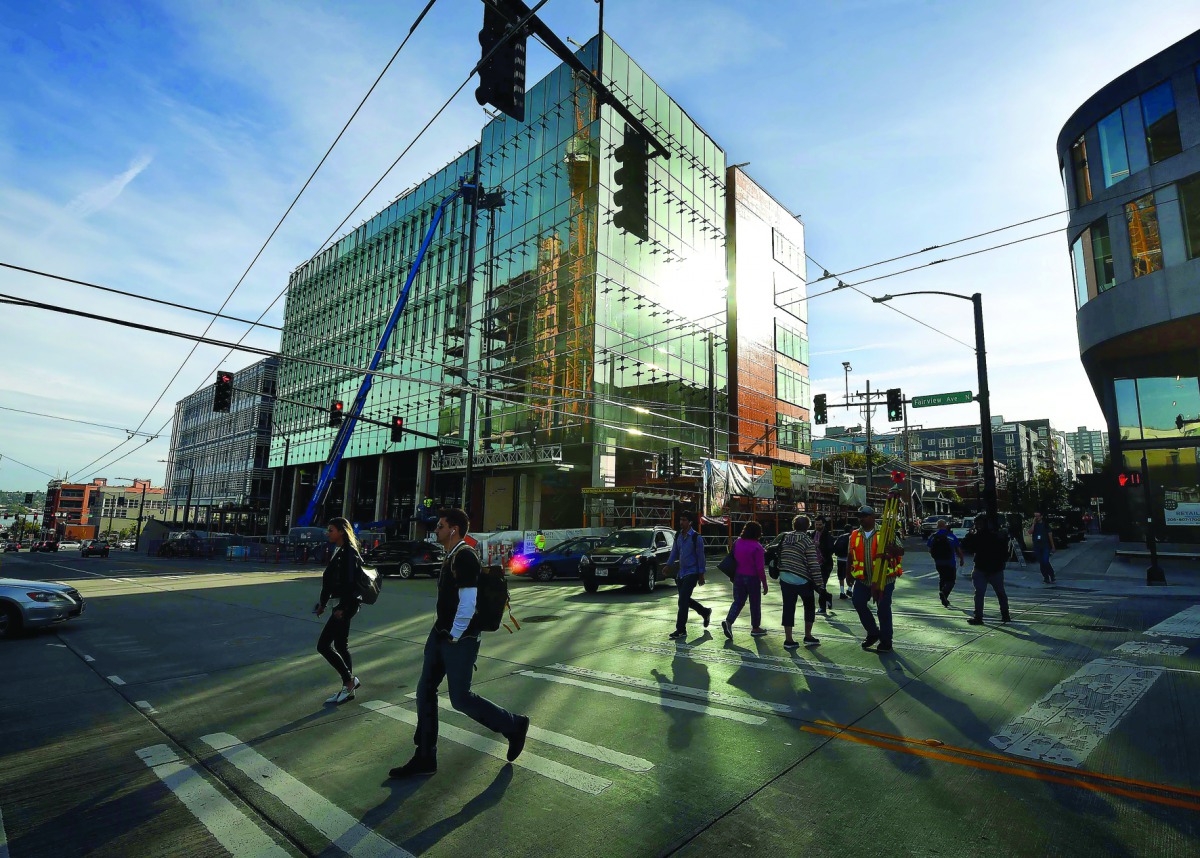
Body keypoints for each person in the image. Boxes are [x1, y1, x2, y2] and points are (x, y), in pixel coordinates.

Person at [389, 508, 529, 779]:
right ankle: (425, 756)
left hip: (458, 638)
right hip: (441, 635)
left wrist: (453, 635)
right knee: (425, 691)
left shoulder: (465, 557)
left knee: (461, 699)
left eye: (440, 526)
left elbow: (468, 604)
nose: (436, 530)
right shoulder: (451, 555)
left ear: (453, 529)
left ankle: (514, 725)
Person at [314, 517, 362, 705]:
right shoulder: (339, 550)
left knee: (323, 645)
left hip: (345, 606)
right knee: (341, 646)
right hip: (338, 604)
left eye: (331, 530)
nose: (328, 533)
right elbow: (329, 581)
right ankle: (348, 687)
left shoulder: (349, 553)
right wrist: (322, 604)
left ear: (342, 531)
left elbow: (351, 583)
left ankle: (349, 682)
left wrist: (342, 608)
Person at [847, 505, 905, 652]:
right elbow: (850, 555)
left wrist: (892, 550)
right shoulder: (854, 534)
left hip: (884, 579)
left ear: (873, 517)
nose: (861, 519)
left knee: (883, 609)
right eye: (859, 516)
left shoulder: (886, 532)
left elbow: (901, 550)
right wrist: (848, 574)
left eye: (864, 516)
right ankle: (873, 632)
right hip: (863, 579)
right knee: (858, 602)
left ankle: (886, 641)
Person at [778, 515, 823, 649]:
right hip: (802, 578)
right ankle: (808, 636)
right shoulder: (807, 541)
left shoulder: (785, 538)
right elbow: (813, 564)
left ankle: (789, 639)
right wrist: (819, 584)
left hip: (785, 577)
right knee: (809, 605)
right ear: (808, 527)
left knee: (788, 607)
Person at [667, 511, 711, 639]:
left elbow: (701, 557)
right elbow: (674, 552)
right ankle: (704, 611)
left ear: (690, 522)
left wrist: (701, 574)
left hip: (692, 573)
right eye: (680, 519)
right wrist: (668, 565)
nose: (681, 522)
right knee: (685, 600)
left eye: (684, 520)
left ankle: (681, 630)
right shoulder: (678, 536)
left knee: (682, 601)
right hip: (681, 574)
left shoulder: (696, 537)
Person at [721, 520, 767, 640]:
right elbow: (760, 568)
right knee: (755, 603)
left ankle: (729, 622)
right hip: (752, 578)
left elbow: (733, 557)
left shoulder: (738, 542)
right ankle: (755, 628)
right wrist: (765, 583)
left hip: (738, 576)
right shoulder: (758, 547)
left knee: (738, 601)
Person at [962, 514, 1011, 624]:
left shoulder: (978, 536)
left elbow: (966, 546)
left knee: (979, 593)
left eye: (977, 524)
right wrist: (1001, 564)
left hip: (982, 567)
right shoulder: (998, 535)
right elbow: (1005, 553)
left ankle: (979, 617)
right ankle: (1005, 615)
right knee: (1000, 593)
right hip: (994, 568)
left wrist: (970, 534)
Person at [926, 519, 965, 608]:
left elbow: (929, 549)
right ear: (945, 525)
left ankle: (944, 597)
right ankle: (944, 593)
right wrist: (961, 559)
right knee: (951, 580)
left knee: (942, 578)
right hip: (950, 562)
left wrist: (935, 557)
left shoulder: (933, 536)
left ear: (937, 526)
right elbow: (958, 550)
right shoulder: (951, 536)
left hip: (939, 562)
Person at [813, 516, 836, 614]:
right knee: (814, 585)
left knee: (822, 585)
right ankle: (827, 596)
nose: (818, 526)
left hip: (825, 564)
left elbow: (831, 550)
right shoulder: (813, 534)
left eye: (820, 524)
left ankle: (822, 608)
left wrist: (820, 546)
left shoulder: (828, 536)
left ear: (824, 524)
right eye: (816, 524)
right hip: (814, 564)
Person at [1031, 511, 1056, 584]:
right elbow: (1030, 532)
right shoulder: (1034, 525)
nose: (1036, 518)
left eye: (1038, 516)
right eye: (1035, 516)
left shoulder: (1045, 525)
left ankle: (1051, 574)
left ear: (1041, 516)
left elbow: (1050, 535)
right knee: (1041, 562)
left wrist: (1053, 546)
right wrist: (1033, 524)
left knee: (1045, 561)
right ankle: (1046, 577)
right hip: (1037, 546)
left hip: (1045, 546)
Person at [832, 522, 854, 600]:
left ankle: (842, 592)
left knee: (841, 576)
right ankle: (849, 589)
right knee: (852, 575)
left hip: (839, 559)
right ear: (851, 530)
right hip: (848, 560)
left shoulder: (840, 537)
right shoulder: (852, 537)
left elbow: (834, 547)